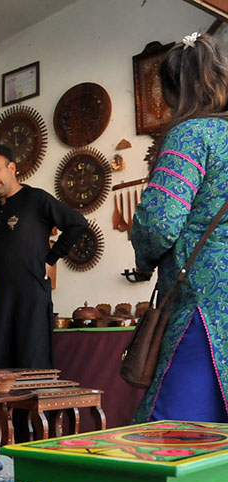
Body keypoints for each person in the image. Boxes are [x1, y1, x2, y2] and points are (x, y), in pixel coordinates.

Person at [131, 32, 228, 423]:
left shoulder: (191, 135)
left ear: (176, 91)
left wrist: (143, 257)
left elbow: (158, 223)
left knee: (176, 432)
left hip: (203, 300)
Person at [0, 144, 87, 369]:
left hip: (30, 300)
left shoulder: (37, 200)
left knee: (31, 368)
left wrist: (51, 259)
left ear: (12, 167)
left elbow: (77, 223)